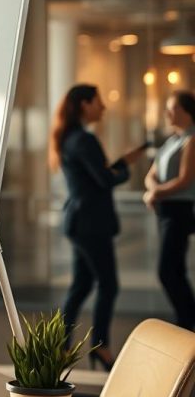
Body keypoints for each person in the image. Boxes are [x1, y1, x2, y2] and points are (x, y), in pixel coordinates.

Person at [51, 84, 144, 371]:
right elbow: (104, 180)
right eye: (98, 101)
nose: (103, 107)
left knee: (81, 285)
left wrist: (119, 163)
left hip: (81, 221)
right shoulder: (84, 139)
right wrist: (124, 169)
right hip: (90, 224)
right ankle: (100, 347)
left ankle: (62, 349)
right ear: (84, 104)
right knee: (108, 284)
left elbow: (95, 176)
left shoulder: (71, 138)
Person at [144, 90, 195, 331]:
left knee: (167, 271)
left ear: (187, 112)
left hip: (179, 211)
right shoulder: (171, 140)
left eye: (173, 108)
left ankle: (187, 322)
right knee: (175, 270)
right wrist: (154, 190)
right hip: (165, 211)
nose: (167, 113)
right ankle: (187, 323)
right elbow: (150, 175)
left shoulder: (191, 139)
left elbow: (185, 179)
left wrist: (155, 193)